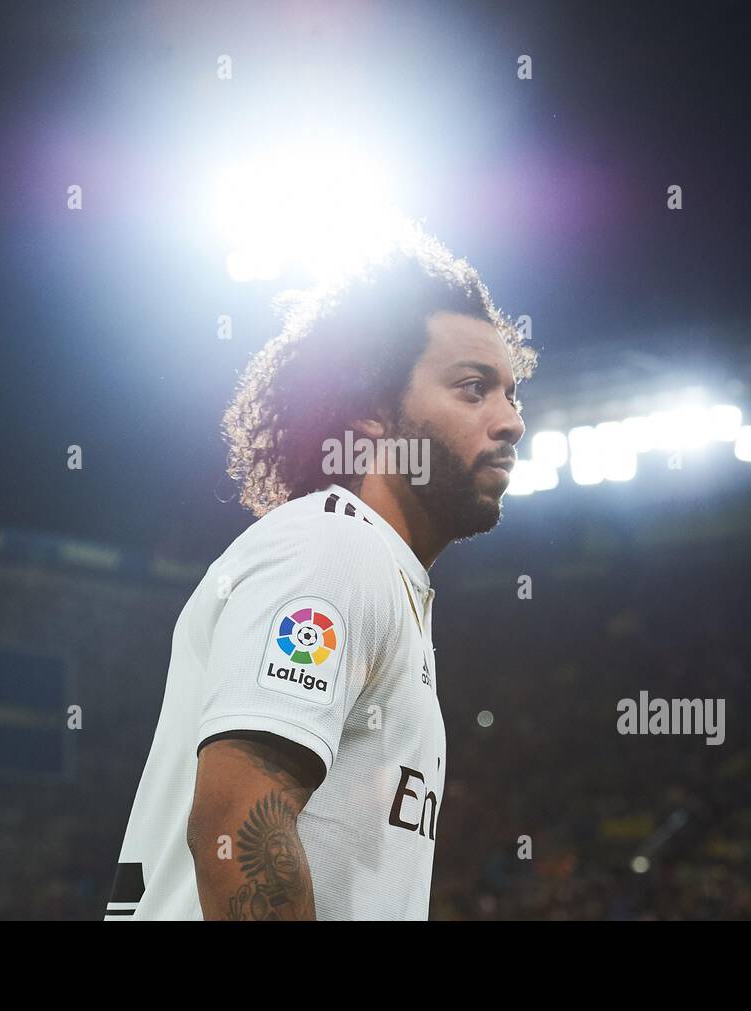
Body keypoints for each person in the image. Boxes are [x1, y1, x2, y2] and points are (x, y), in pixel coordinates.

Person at [107, 221, 537, 920]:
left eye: (512, 393)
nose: (511, 419)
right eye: (472, 388)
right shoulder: (334, 550)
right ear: (371, 411)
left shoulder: (381, 573)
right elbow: (237, 825)